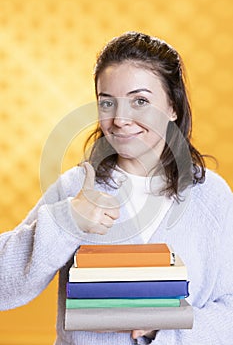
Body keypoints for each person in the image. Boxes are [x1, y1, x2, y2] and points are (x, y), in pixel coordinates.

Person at [0, 31, 232, 345]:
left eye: (140, 101)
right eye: (107, 102)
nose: (120, 119)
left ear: (173, 106)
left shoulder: (213, 198)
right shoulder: (75, 189)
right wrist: (64, 223)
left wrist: (163, 326)